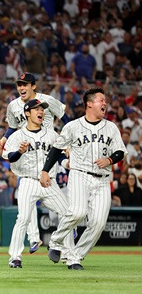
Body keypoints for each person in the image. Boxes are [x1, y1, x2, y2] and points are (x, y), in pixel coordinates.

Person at [41, 87, 127, 270]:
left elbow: (120, 151)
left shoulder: (111, 127)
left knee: (98, 223)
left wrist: (110, 160)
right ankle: (56, 242)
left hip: (103, 180)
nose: (104, 103)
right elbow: (56, 149)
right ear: (89, 104)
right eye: (100, 100)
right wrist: (45, 171)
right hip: (80, 175)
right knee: (78, 212)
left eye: (104, 100)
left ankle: (75, 256)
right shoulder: (72, 126)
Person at [0, 72, 68, 252]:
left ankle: (64, 234)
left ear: (33, 86)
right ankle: (34, 238)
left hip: (48, 148)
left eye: (25, 84)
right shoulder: (13, 105)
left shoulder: (47, 101)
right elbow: (12, 127)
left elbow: (66, 119)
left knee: (61, 206)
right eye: (19, 84)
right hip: (27, 148)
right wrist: (5, 139)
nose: (21, 87)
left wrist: (66, 141)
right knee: (26, 195)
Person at [2, 99, 72, 268]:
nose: (41, 112)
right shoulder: (17, 135)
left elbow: (59, 155)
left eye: (42, 109)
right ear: (27, 113)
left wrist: (66, 164)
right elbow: (9, 157)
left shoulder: (51, 134)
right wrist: (19, 152)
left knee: (68, 214)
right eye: (37, 109)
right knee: (23, 218)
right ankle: (15, 257)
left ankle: (67, 253)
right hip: (28, 181)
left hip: (49, 182)